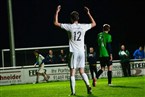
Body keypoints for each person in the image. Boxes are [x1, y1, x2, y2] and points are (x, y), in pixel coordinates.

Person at [54, 5, 96, 95]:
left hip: (74, 52)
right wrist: (88, 13)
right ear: (78, 18)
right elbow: (94, 24)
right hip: (82, 52)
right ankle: (88, 86)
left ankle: (73, 92)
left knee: (72, 72)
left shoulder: (69, 26)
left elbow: (56, 23)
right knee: (82, 71)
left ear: (71, 19)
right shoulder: (83, 26)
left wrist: (57, 12)